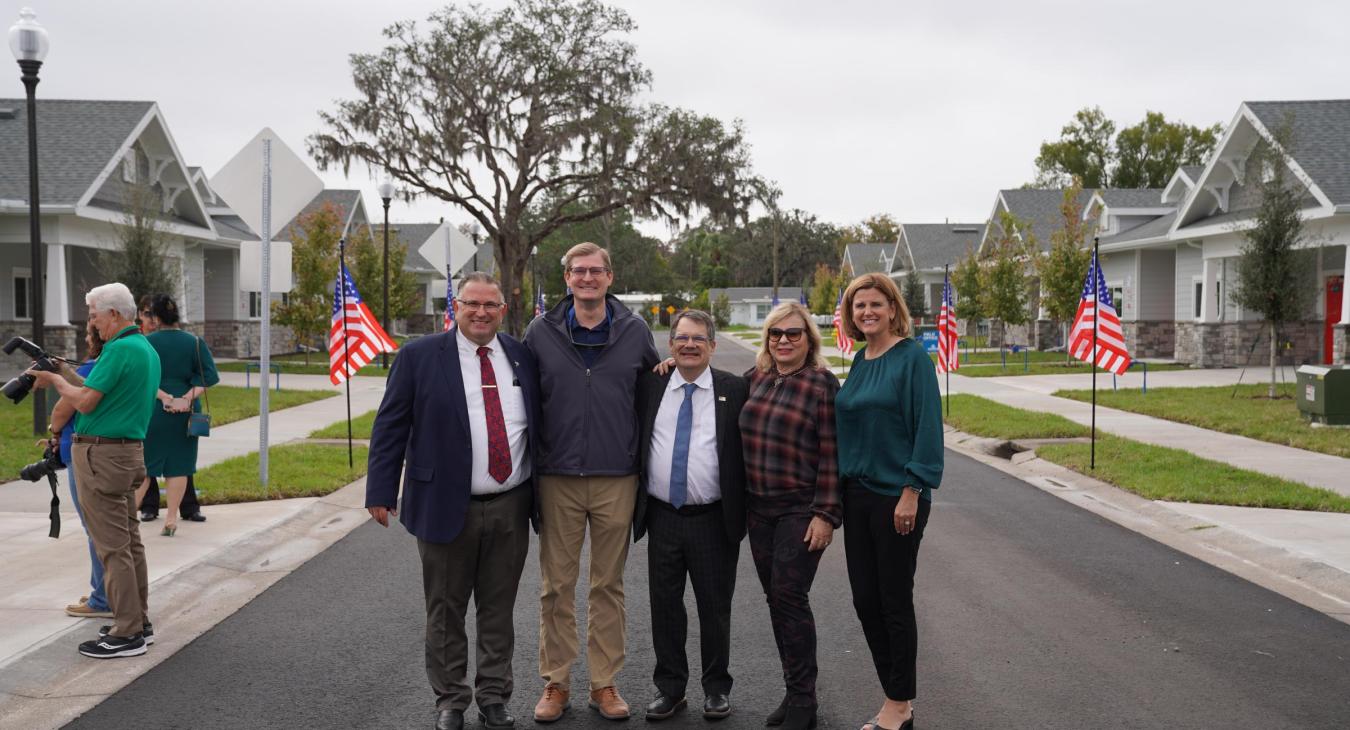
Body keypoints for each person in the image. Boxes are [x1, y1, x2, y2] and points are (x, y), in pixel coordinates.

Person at [366, 273, 541, 730]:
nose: (481, 312)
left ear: (503, 311)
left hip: (511, 502)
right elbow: (390, 427)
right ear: (455, 307)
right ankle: (450, 699)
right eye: (472, 304)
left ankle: (494, 695)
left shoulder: (521, 357)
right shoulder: (419, 357)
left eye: (490, 305)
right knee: (445, 609)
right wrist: (380, 490)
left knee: (498, 609)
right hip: (444, 502)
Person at [524, 241, 659, 722]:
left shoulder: (635, 330)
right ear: (566, 278)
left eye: (595, 271)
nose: (587, 278)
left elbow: (654, 387)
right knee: (556, 586)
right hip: (557, 477)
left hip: (615, 477)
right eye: (578, 271)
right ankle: (555, 683)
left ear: (609, 277)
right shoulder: (540, 332)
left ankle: (605, 683)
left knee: (608, 585)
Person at [29, 282, 161, 659]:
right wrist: (63, 373)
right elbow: (94, 388)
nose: (92, 324)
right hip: (126, 454)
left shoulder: (119, 349)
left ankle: (126, 633)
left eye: (94, 316)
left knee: (112, 548)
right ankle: (138, 622)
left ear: (114, 314)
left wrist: (54, 381)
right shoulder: (142, 348)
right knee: (130, 543)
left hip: (103, 459)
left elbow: (85, 403)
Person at [834, 274, 943, 730]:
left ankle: (898, 704)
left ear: (893, 308)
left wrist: (912, 491)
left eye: (876, 304)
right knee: (864, 600)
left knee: (893, 599)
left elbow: (927, 428)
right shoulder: (860, 360)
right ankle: (895, 697)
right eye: (859, 306)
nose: (867, 312)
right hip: (856, 497)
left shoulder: (912, 359)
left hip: (895, 497)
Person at [633, 310, 748, 722]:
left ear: (713, 346)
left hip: (713, 519)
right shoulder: (651, 384)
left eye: (699, 339)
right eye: (681, 338)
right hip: (663, 515)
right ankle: (671, 688)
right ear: (671, 345)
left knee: (714, 608)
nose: (689, 345)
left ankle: (716, 689)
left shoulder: (735, 389)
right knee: (664, 606)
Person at [737, 301, 840, 730]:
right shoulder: (755, 379)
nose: (784, 341)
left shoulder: (821, 384)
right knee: (776, 601)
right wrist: (672, 362)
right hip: (758, 509)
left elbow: (833, 453)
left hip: (801, 508)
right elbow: (710, 384)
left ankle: (804, 701)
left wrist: (826, 514)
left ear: (808, 340)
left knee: (789, 597)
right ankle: (792, 690)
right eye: (776, 334)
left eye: (794, 334)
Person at [132, 294, 219, 537]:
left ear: (156, 317)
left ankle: (130, 518)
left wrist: (165, 398)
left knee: (146, 466)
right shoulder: (195, 342)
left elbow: (142, 378)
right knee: (179, 466)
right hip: (186, 414)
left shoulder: (146, 343)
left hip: (153, 411)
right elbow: (208, 377)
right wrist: (186, 398)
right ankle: (171, 518)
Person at [51, 323, 110, 619]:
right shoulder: (100, 366)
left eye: (88, 335)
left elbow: (63, 409)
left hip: (83, 454)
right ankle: (102, 589)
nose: (86, 339)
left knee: (94, 528)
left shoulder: (91, 368)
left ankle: (103, 599)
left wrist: (53, 430)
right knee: (99, 529)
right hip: (96, 452)